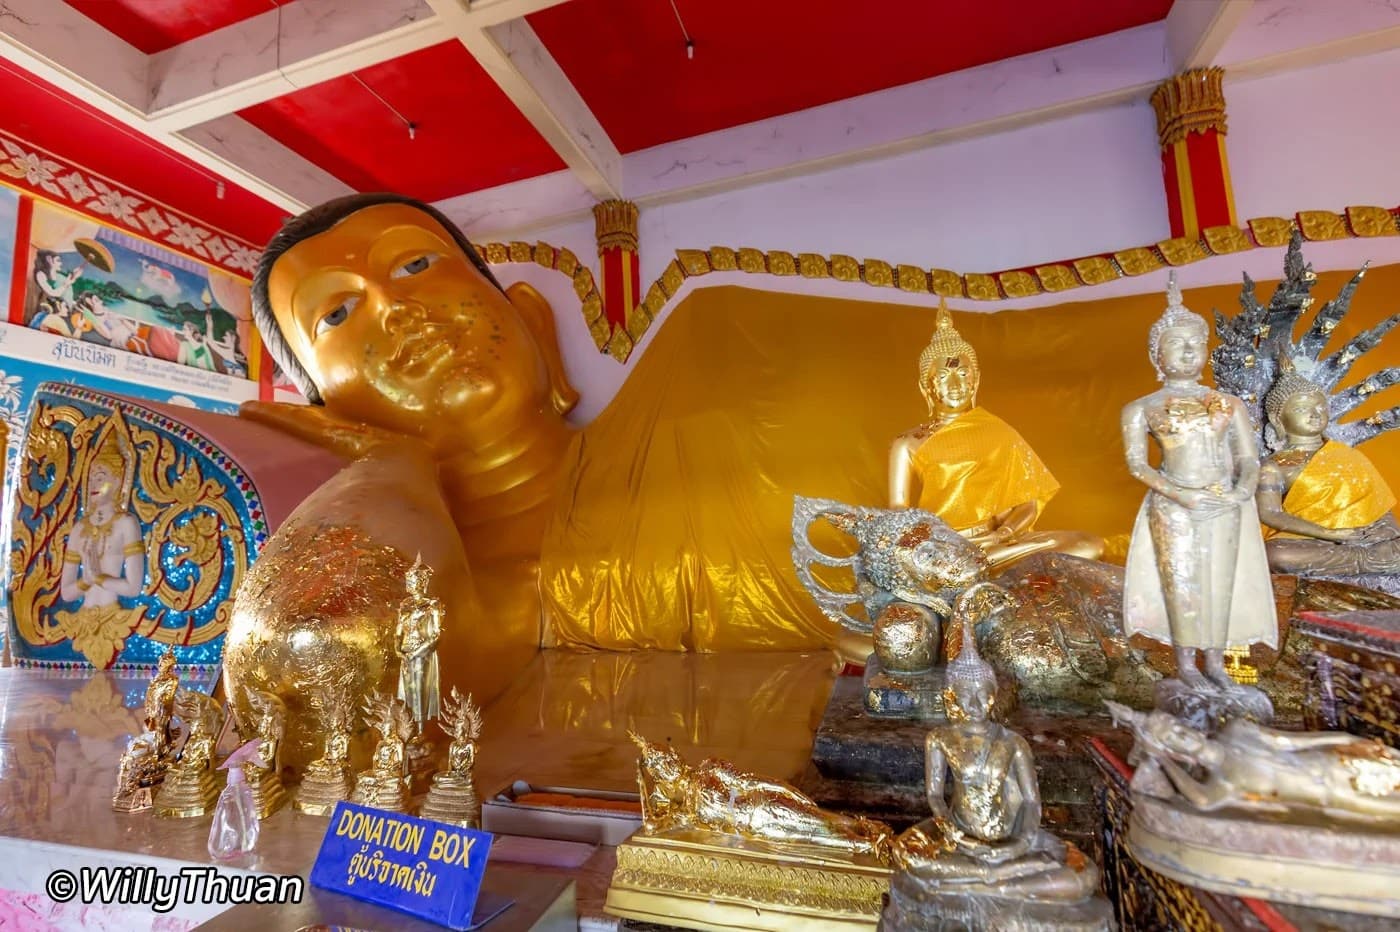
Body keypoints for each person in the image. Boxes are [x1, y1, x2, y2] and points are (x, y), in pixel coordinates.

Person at [1121, 274, 1275, 690]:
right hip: (1174, 504)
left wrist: (1241, 493)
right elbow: (1138, 465)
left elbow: (1248, 457)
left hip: (1225, 501)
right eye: (1176, 343)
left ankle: (1217, 662)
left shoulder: (1230, 404)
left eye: (1196, 342)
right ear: (1156, 354)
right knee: (1181, 581)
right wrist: (1182, 494)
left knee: (1220, 580)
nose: (1188, 350)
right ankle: (1186, 663)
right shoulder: (1140, 408)